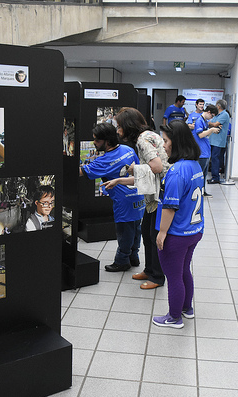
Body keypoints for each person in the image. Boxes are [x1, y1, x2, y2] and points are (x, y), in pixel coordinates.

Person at [103, 107, 170, 290]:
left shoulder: (142, 140)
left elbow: (156, 168)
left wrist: (134, 169)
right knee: (148, 234)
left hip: (161, 194)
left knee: (154, 235)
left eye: (119, 126)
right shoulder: (149, 135)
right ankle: (149, 270)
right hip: (155, 193)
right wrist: (119, 180)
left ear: (128, 125)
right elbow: (148, 174)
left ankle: (157, 276)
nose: (117, 131)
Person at [152, 120, 204, 329]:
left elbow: (169, 207)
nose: (163, 145)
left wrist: (162, 233)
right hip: (194, 231)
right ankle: (186, 308)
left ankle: (174, 317)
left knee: (173, 276)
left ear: (177, 142)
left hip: (177, 234)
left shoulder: (176, 172)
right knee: (184, 270)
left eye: (165, 141)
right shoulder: (195, 166)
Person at [80, 123, 145, 272]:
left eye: (96, 140)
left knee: (124, 232)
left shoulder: (104, 161)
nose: (94, 143)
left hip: (123, 201)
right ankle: (134, 257)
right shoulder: (128, 149)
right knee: (136, 228)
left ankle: (122, 261)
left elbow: (82, 172)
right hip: (138, 195)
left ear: (107, 141)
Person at [192, 104, 220, 197]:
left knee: (204, 175)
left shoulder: (205, 121)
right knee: (199, 175)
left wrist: (212, 131)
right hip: (201, 153)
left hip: (206, 151)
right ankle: (197, 192)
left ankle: (203, 191)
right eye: (212, 115)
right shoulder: (199, 121)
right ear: (208, 112)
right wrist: (211, 129)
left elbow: (205, 135)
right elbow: (200, 135)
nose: (211, 118)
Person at [207, 99, 231, 183]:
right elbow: (211, 124)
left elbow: (214, 124)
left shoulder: (224, 114)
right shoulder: (217, 115)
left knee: (215, 159)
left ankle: (215, 177)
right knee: (213, 159)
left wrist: (210, 123)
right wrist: (211, 124)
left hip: (218, 142)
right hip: (213, 140)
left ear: (218, 106)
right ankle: (214, 176)